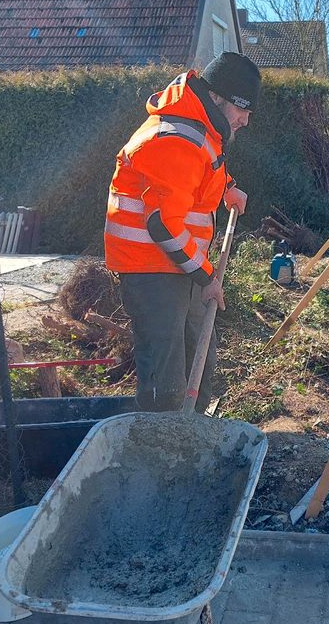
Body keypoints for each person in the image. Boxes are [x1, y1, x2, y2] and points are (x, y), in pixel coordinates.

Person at [104, 52, 261, 412]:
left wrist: (228, 187)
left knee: (198, 350)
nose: (245, 121)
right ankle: (162, 444)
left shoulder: (200, 128)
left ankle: (194, 430)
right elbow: (163, 224)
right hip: (152, 269)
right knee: (167, 370)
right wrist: (207, 276)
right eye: (244, 110)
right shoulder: (175, 137)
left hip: (178, 265)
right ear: (219, 98)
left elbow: (200, 174)